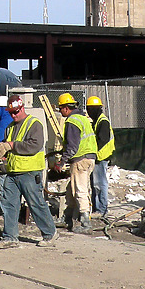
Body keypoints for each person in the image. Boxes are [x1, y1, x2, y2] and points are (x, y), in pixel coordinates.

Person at [0, 94, 58, 248]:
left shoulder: (34, 124)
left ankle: (50, 233)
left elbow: (34, 145)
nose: (14, 115)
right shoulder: (10, 126)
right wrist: (2, 152)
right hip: (13, 171)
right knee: (9, 204)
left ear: (22, 108)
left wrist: (11, 145)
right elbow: (8, 146)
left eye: (16, 112)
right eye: (11, 113)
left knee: (35, 204)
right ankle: (10, 237)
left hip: (29, 172)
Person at [56, 92, 98, 232]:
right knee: (71, 189)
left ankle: (86, 224)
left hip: (80, 159)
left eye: (60, 108)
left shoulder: (72, 121)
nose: (60, 111)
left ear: (66, 108)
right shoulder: (83, 118)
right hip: (89, 157)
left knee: (80, 190)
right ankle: (67, 218)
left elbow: (72, 146)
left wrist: (62, 162)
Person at [86, 95, 115, 218]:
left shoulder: (103, 121)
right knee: (95, 184)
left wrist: (92, 152)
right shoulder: (98, 120)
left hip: (100, 157)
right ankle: (97, 208)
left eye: (89, 109)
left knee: (99, 184)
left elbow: (102, 140)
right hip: (98, 157)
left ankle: (101, 209)